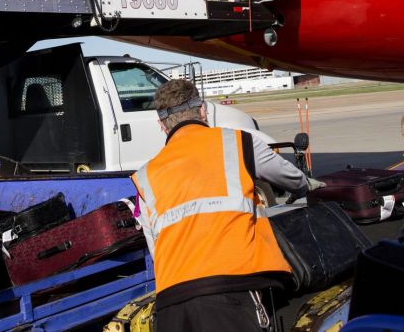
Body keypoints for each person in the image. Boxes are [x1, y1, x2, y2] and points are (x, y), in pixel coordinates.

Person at [131, 79, 324, 331]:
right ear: (202, 110)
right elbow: (288, 177)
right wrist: (307, 185)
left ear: (161, 126)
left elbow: (157, 250)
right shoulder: (238, 142)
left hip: (171, 305)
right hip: (230, 291)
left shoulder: (145, 176)